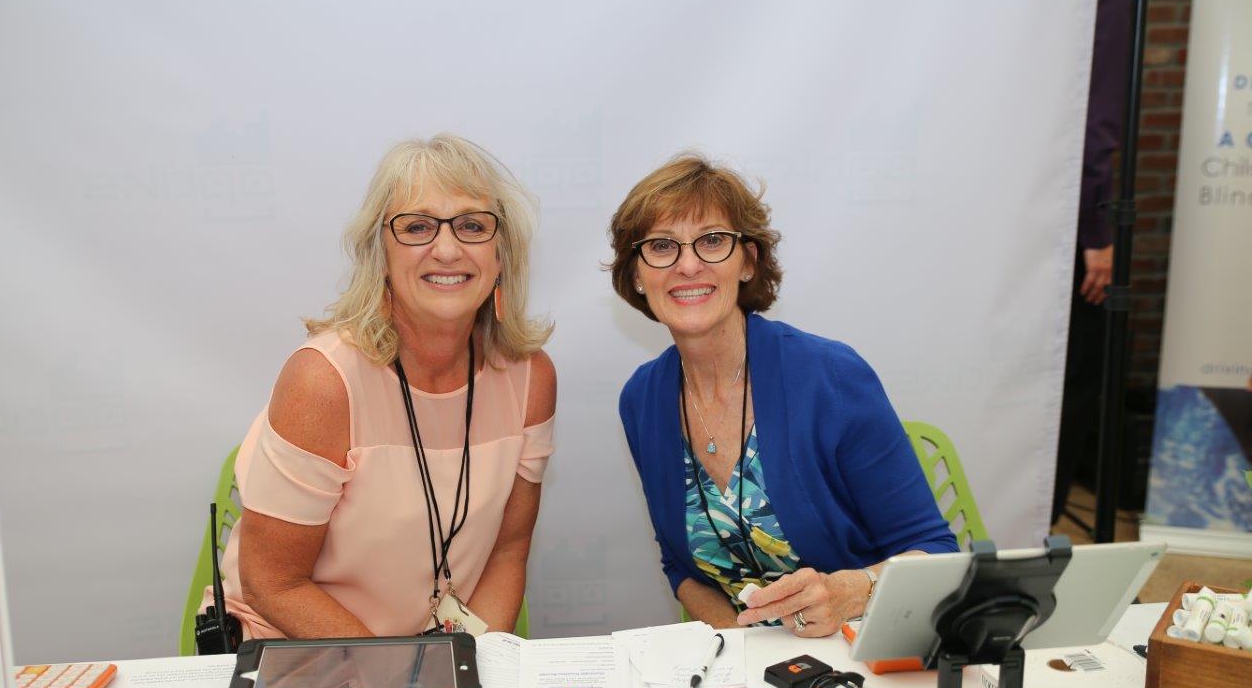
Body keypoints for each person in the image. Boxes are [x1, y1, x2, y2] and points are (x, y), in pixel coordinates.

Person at [203, 134, 556, 640]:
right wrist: (407, 684)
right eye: (417, 227)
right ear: (380, 255)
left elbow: (507, 550)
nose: (449, 249)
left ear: (502, 255)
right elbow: (274, 585)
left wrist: (467, 667)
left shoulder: (531, 378)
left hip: (432, 666)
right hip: (295, 653)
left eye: (473, 226)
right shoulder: (324, 382)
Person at [610, 154, 958, 638]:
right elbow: (680, 567)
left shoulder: (831, 376)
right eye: (661, 246)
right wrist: (740, 644)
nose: (688, 264)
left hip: (864, 653)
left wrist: (850, 594)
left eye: (712, 241)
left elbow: (936, 553)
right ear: (636, 276)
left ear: (748, 262)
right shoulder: (642, 400)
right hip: (752, 674)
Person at [1052, 0, 1160, 523]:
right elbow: (1096, 132)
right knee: (1074, 378)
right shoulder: (1105, 0)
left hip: (1025, 219)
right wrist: (1099, 235)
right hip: (1071, 229)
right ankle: (1040, 523)